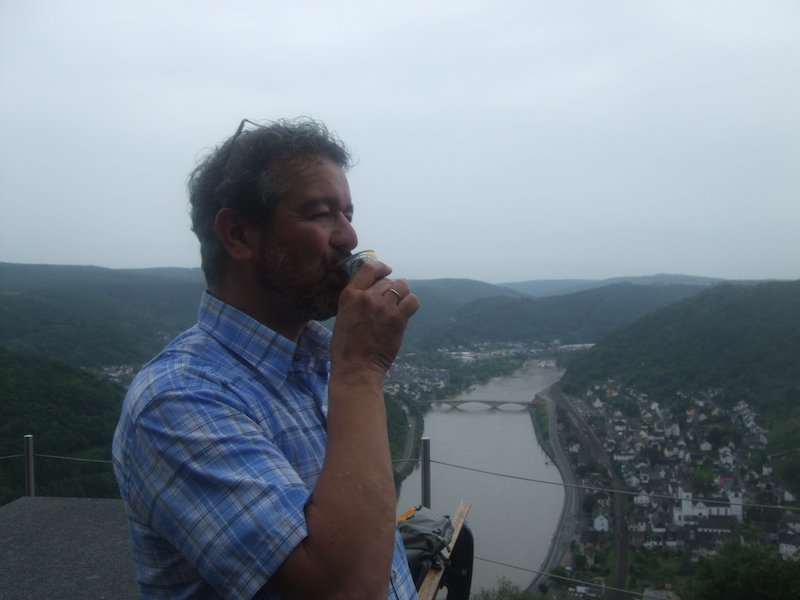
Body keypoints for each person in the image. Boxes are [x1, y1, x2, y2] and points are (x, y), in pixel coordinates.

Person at [112, 118, 420, 599]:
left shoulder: (317, 365)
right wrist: (361, 372)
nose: (349, 236)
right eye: (321, 214)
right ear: (238, 235)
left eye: (347, 213)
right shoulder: (179, 400)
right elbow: (346, 590)